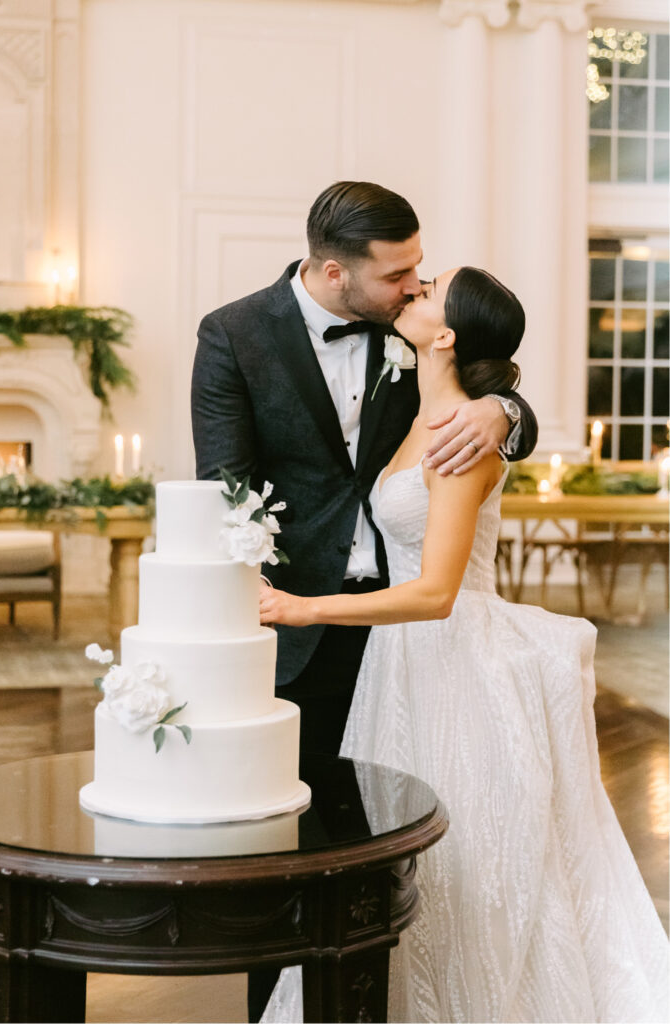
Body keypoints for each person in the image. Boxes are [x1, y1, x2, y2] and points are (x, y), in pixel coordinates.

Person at [258, 266, 669, 1023]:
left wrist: (301, 607)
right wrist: (502, 407)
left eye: (427, 290)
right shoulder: (416, 408)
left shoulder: (466, 437)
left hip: (455, 657)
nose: (410, 290)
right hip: (400, 660)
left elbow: (436, 593)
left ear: (444, 334)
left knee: (469, 854)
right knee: (407, 851)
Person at [192, 181, 538, 1021]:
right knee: (285, 849)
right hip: (296, 630)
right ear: (332, 270)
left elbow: (485, 386)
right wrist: (260, 615)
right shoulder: (235, 333)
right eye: (397, 276)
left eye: (421, 272)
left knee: (396, 848)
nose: (414, 288)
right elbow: (225, 490)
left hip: (404, 633)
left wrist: (504, 410)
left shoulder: (414, 332)